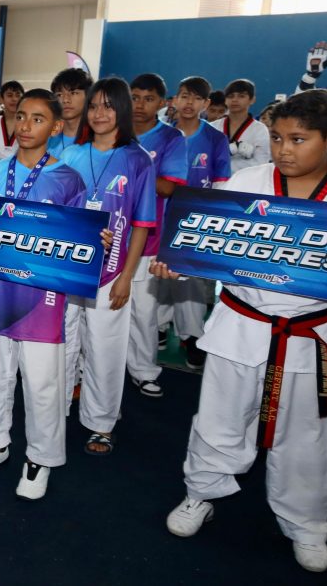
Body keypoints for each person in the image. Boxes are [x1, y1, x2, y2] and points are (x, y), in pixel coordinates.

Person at [155, 89, 327, 574]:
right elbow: (205, 241)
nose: (284, 149)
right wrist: (180, 265)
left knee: (308, 435)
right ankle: (200, 492)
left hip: (311, 335)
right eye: (276, 137)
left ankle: (307, 522)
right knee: (218, 416)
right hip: (241, 324)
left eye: (299, 139)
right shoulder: (248, 181)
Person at [0, 89, 89, 498]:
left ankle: (40, 457)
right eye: (21, 117)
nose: (25, 126)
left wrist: (92, 239)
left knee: (42, 381)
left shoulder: (69, 179)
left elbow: (78, 239)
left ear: (56, 127)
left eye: (37, 119)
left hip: (43, 296)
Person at [60, 77, 156, 456]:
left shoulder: (137, 159)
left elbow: (141, 225)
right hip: (68, 269)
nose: (100, 114)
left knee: (105, 347)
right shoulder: (69, 154)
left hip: (111, 273)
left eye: (109, 106)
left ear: (122, 110)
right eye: (94, 106)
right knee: (62, 344)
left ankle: (101, 423)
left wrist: (127, 278)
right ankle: (57, 403)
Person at [157, 76, 231, 369]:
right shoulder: (162, 134)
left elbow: (222, 182)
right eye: (184, 96)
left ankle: (191, 336)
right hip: (160, 214)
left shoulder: (215, 139)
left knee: (190, 282)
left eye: (197, 98)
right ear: (175, 100)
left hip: (194, 218)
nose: (189, 103)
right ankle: (159, 327)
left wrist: (211, 220)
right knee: (158, 275)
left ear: (206, 104)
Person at [124, 73, 188, 399]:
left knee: (143, 311)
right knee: (94, 309)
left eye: (148, 99)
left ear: (162, 103)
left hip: (147, 237)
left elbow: (170, 186)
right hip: (108, 234)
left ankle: (143, 370)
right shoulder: (112, 129)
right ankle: (87, 366)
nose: (139, 105)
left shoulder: (171, 138)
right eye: (134, 97)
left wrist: (132, 169)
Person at [211, 79, 271, 172]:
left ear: (252, 99)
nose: (235, 100)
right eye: (230, 96)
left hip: (245, 183)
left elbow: (261, 162)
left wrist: (223, 165)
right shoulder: (212, 127)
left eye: (241, 96)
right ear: (225, 100)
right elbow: (204, 158)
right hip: (213, 182)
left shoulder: (260, 130)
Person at [48, 68, 92, 157]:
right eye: (59, 95)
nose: (65, 100)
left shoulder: (97, 140)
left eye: (73, 93)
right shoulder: (47, 139)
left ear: (88, 96)